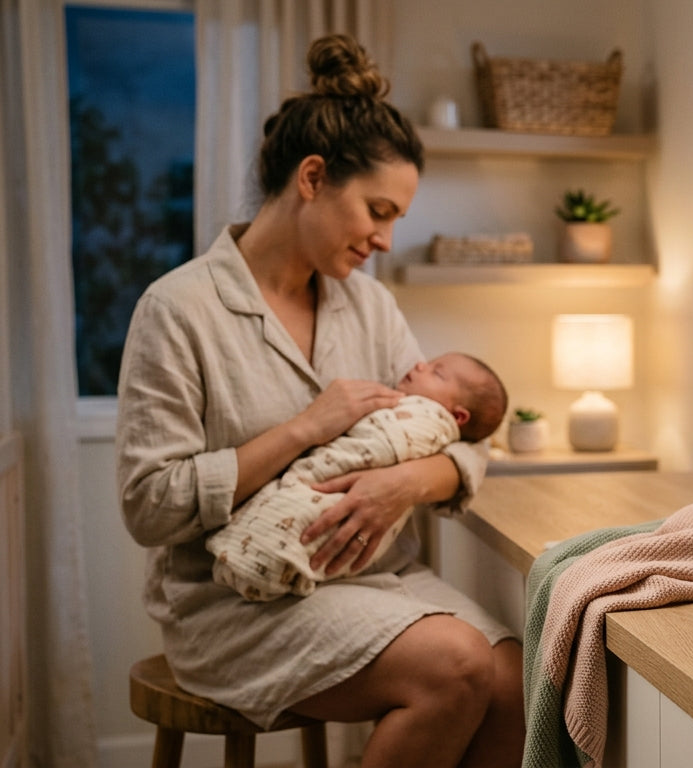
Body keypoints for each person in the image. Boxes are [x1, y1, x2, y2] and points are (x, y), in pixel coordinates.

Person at [115, 34, 524, 767]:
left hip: (379, 578)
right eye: (377, 210)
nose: (387, 239)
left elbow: (464, 438)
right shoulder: (177, 310)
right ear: (311, 177)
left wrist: (406, 481)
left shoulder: (368, 307)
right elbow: (149, 504)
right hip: (237, 603)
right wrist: (304, 428)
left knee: (519, 681)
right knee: (457, 666)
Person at [207, 352, 508, 601]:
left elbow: (472, 451)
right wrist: (309, 426)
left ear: (457, 417)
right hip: (216, 592)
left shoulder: (426, 420)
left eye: (435, 372)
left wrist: (405, 482)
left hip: (378, 563)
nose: (418, 365)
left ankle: (265, 562)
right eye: (429, 363)